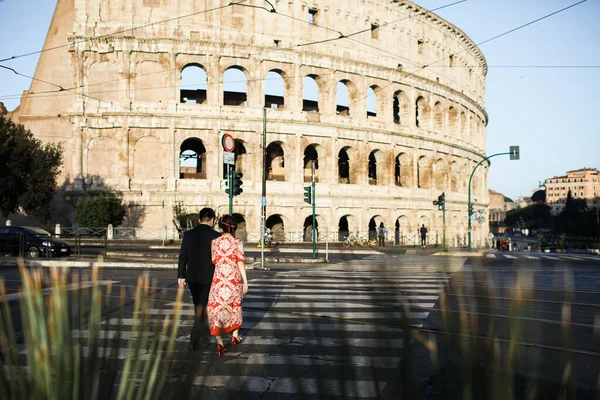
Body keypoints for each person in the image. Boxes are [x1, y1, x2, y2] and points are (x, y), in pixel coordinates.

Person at [177, 207, 221, 352]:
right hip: (209, 277)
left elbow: (183, 256)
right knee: (201, 308)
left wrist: (181, 275)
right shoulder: (216, 236)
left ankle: (198, 338)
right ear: (213, 220)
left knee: (199, 306)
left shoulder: (188, 235)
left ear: (198, 220)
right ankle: (195, 339)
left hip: (193, 277)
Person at [207, 214, 249, 356]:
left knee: (217, 310)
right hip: (233, 280)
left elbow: (214, 260)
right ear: (234, 228)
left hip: (218, 280)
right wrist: (245, 281)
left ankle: (220, 344)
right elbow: (240, 263)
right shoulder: (238, 243)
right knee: (235, 306)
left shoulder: (214, 243)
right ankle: (234, 335)